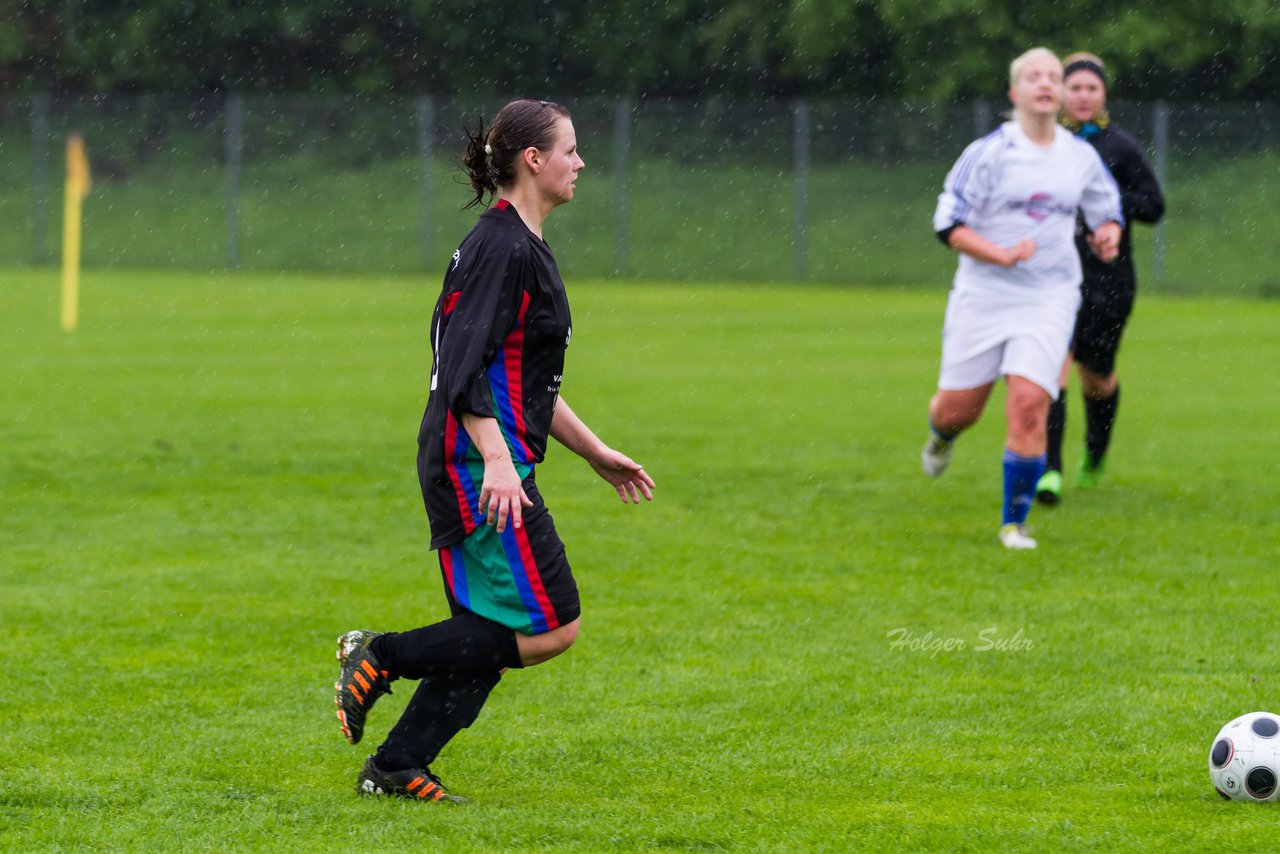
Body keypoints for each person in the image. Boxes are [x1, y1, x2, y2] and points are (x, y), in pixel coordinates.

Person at [332, 98, 656, 802]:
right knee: (552, 626)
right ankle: (380, 654)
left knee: (487, 631)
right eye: (570, 150)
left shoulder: (516, 244)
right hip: (473, 462)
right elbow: (460, 366)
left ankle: (395, 767)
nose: (581, 162)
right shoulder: (503, 248)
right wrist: (501, 459)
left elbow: (524, 381)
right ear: (533, 161)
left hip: (479, 454)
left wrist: (594, 452)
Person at [921, 48, 1123, 549]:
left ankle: (1014, 523)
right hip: (984, 294)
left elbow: (1107, 209)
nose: (1045, 84)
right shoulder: (989, 152)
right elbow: (948, 223)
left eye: (1053, 77)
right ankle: (942, 436)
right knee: (959, 410)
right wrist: (1001, 255)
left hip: (1050, 297)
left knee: (1031, 403)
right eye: (1034, 76)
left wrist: (1109, 235)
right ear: (1015, 92)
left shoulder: (1079, 157)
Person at [1035, 52, 1166, 505]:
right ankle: (1048, 470)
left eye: (1092, 88)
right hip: (1053, 276)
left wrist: (1107, 204)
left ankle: (1096, 453)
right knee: (1052, 370)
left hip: (1109, 279)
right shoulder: (1044, 146)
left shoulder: (1120, 148)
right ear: (1062, 94)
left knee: (1096, 378)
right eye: (1076, 88)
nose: (1083, 95)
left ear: (1103, 94)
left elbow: (1154, 205)